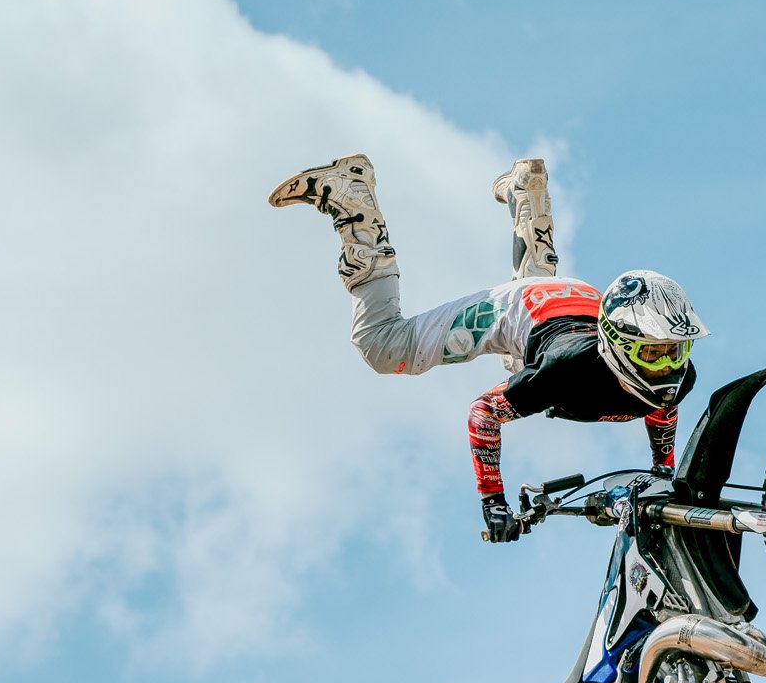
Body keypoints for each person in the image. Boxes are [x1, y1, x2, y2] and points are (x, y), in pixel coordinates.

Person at [268, 154, 706, 542]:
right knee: (382, 347)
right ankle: (355, 206)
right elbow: (484, 412)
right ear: (621, 343)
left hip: (573, 302)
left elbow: (660, 407)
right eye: (652, 353)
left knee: (520, 359)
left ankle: (527, 197)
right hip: (520, 310)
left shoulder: (675, 377)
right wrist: (493, 502)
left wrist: (662, 471)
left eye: (675, 351)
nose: (666, 366)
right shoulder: (564, 371)